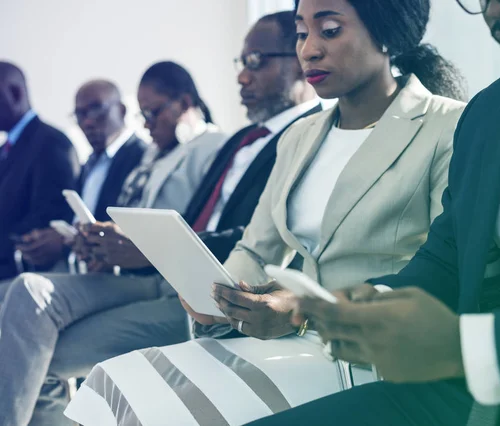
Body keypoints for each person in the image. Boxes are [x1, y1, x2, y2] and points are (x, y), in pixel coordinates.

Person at [65, 1, 468, 424]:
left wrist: (301, 310)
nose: (309, 49)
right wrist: (214, 297)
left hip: (364, 350)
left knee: (158, 413)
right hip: (280, 336)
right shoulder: (300, 136)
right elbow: (255, 250)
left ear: (388, 35)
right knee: (109, 382)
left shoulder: (448, 126)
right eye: (300, 33)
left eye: (329, 30)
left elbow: (441, 269)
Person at [244, 0, 500, 426]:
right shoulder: (491, 112)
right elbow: (446, 259)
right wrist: (369, 303)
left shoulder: (447, 122)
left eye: (331, 30)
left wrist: (464, 346)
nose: (496, 10)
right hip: (467, 392)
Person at [1, 12, 319, 426]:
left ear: (297, 58)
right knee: (26, 305)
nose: (242, 77)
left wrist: (152, 249)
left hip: (209, 286)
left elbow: (261, 240)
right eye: (241, 64)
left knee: (29, 350)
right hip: (161, 272)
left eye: (256, 61)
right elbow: (189, 217)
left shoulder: (289, 138)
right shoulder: (241, 141)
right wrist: (114, 243)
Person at [0, 61, 227, 426]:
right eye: (144, 114)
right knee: (23, 303)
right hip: (128, 269)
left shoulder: (212, 148)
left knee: (30, 329)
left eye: (153, 112)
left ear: (185, 103)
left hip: (162, 277)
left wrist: (131, 246)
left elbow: (205, 228)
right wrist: (100, 240)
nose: (147, 123)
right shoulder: (153, 154)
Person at [14, 80, 147, 271]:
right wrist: (55, 236)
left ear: (122, 110)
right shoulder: (89, 165)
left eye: (96, 109)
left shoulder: (143, 158)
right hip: (80, 267)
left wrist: (64, 243)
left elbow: (128, 227)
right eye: (80, 114)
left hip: (120, 273)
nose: (87, 122)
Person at [0, 61, 79, 280]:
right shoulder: (5, 150)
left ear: (15, 93)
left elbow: (50, 215)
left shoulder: (51, 142)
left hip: (21, 271)